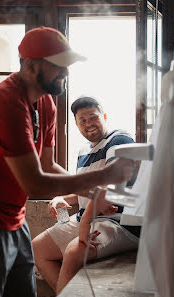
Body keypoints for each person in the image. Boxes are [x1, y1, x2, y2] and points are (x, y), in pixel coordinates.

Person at [0, 27, 134, 297]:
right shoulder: (6, 103)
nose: (66, 72)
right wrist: (103, 177)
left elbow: (47, 166)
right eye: (59, 65)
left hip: (13, 216)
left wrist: (93, 194)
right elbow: (34, 183)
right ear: (31, 65)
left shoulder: (46, 104)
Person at [32, 96, 141, 294]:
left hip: (118, 221)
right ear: (76, 124)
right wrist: (62, 198)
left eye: (93, 117)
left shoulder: (119, 139)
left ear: (104, 116)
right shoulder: (83, 152)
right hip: (87, 217)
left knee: (74, 252)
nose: (88, 124)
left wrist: (85, 224)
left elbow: (107, 189)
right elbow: (85, 191)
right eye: (82, 121)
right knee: (37, 248)